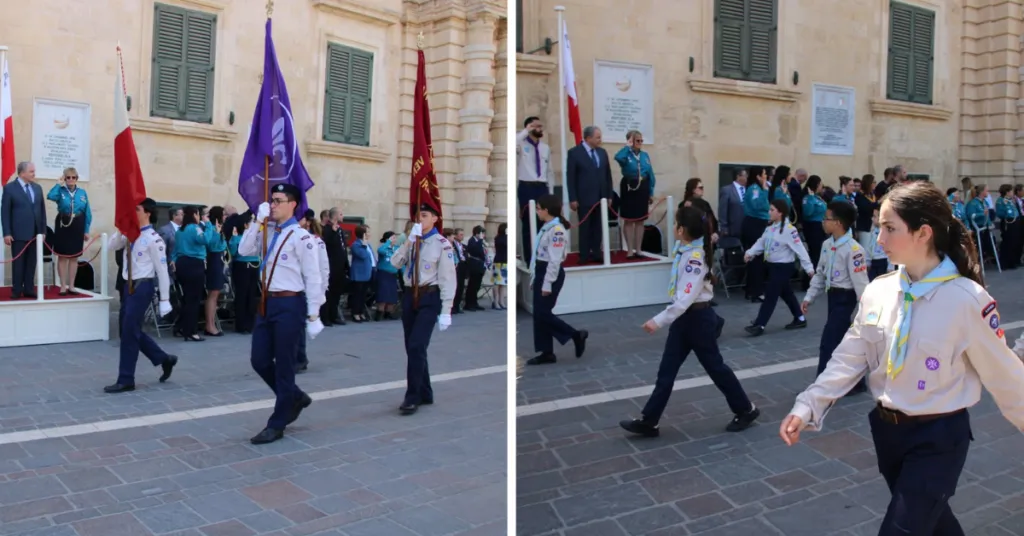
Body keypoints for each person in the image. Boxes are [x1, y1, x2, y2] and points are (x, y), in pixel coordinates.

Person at [779, 182, 1024, 535]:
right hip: (888, 432)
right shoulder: (879, 290)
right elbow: (850, 356)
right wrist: (808, 405)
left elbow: (1006, 377)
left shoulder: (967, 299)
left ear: (923, 233)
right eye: (878, 227)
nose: (879, 239)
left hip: (938, 438)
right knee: (935, 524)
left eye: (889, 228)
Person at [620, 206, 760, 437]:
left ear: (682, 230)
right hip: (685, 320)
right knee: (666, 371)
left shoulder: (695, 258)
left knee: (715, 368)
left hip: (697, 319)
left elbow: (684, 299)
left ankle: (746, 409)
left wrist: (658, 321)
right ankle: (649, 420)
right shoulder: (685, 251)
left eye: (676, 223)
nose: (674, 227)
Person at [237, 184, 323, 444]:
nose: (272, 205)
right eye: (271, 200)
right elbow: (243, 250)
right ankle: (294, 396)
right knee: (259, 360)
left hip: (289, 303)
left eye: (278, 201)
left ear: (292, 204)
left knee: (285, 365)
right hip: (266, 303)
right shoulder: (267, 230)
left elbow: (313, 276)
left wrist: (314, 314)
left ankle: (278, 422)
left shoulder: (302, 237)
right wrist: (257, 221)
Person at [388, 203, 457, 415]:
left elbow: (448, 278)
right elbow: (394, 263)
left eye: (425, 215)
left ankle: (413, 396)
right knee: (412, 346)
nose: (420, 219)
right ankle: (425, 391)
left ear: (435, 218)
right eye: (418, 215)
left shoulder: (442, 244)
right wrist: (408, 241)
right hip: (410, 296)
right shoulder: (412, 241)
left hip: (429, 296)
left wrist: (446, 310)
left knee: (417, 345)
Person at [104, 198, 178, 393]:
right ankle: (164, 358)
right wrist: (121, 230)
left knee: (129, 331)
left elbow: (162, 270)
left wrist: (164, 299)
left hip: (142, 286)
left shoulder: (154, 239)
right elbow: (111, 246)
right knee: (129, 330)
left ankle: (126, 379)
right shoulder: (130, 234)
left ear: (147, 212)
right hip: (127, 286)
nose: (133, 212)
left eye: (136, 209)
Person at [801, 201, 870, 395]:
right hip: (832, 297)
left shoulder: (854, 249)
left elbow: (861, 283)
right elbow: (820, 274)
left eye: (826, 218)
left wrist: (866, 309)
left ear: (838, 223)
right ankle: (857, 383)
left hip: (845, 299)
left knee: (828, 342)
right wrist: (809, 297)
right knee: (844, 343)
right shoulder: (827, 245)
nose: (823, 221)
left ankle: (821, 387)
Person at [525, 194, 588, 365]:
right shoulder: (547, 227)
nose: (537, 211)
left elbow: (554, 260)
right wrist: (534, 278)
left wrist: (547, 283)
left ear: (546, 210)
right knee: (539, 314)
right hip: (541, 270)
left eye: (539, 209)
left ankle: (575, 335)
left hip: (549, 272)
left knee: (542, 313)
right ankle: (546, 352)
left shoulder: (556, 230)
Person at [744, 198, 814, 336]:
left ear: (780, 212)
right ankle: (800, 318)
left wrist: (809, 268)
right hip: (772, 266)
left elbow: (800, 250)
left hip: (784, 267)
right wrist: (750, 253)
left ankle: (760, 324)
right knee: (786, 293)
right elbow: (761, 242)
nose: (769, 212)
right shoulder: (770, 228)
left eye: (772, 210)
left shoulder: (789, 230)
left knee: (771, 294)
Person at [566, 125, 614, 264]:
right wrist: (573, 198)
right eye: (597, 137)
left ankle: (597, 252)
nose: (600, 140)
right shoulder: (574, 153)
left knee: (598, 226)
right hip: (584, 197)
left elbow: (607, 175)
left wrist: (609, 195)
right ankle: (584, 254)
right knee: (585, 227)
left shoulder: (602, 152)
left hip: (601, 197)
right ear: (588, 138)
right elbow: (571, 177)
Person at [1, 161, 46, 299]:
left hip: (35, 233)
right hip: (18, 233)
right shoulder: (10, 188)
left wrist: (43, 231)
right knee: (18, 263)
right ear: (22, 173)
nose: (34, 174)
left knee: (32, 262)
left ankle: (28, 288)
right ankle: (16, 290)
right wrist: (7, 233)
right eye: (31, 171)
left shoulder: (37, 188)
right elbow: (5, 212)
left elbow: (42, 211)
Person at [47, 167, 92, 295]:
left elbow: (87, 212)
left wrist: (86, 230)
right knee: (62, 256)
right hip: (63, 224)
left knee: (74, 257)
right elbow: (50, 196)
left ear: (77, 179)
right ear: (64, 178)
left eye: (73, 177)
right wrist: (58, 184)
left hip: (77, 224)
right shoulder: (60, 191)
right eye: (68, 177)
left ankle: (71, 285)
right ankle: (62, 285)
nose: (71, 180)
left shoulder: (82, 192)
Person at [295, 211, 329, 372]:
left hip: (307, 288)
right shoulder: (293, 238)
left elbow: (323, 267)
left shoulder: (316, 241)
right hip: (294, 286)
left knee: (299, 325)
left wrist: (321, 291)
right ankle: (297, 356)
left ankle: (300, 357)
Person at [614, 129, 656, 258]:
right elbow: (618, 157)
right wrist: (628, 147)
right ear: (631, 141)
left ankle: (638, 249)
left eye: (641, 140)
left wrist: (651, 192)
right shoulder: (626, 154)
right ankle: (629, 250)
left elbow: (650, 174)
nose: (640, 143)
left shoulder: (645, 155)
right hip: (629, 187)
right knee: (629, 219)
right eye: (637, 140)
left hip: (642, 187)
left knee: (640, 219)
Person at [517, 117, 554, 262]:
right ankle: (529, 259)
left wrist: (551, 193)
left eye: (541, 126)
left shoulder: (545, 147)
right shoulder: (520, 143)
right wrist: (526, 131)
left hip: (542, 187)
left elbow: (549, 171)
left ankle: (542, 257)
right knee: (528, 222)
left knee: (544, 222)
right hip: (527, 187)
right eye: (536, 126)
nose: (540, 129)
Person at [172, 207, 209, 342]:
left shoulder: (180, 231)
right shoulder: (195, 228)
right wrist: (209, 226)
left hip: (182, 263)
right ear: (195, 215)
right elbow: (205, 240)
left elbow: (175, 250)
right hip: (194, 263)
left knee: (187, 298)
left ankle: (180, 327)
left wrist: (173, 260)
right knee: (194, 299)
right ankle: (191, 331)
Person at [741, 166, 771, 302]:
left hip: (760, 223)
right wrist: (765, 191)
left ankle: (752, 289)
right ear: (758, 176)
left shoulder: (758, 188)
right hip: (754, 224)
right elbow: (758, 205)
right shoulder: (755, 189)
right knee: (756, 258)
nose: (766, 177)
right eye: (764, 174)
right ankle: (756, 292)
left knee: (757, 258)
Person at [228, 213, 259, 334]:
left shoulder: (255, 237)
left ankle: (250, 323)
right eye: (251, 222)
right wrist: (234, 240)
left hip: (254, 265)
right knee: (242, 295)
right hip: (242, 266)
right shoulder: (237, 238)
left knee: (252, 295)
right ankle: (241, 324)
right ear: (245, 225)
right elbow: (233, 253)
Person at [321, 207, 348, 325]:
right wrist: (332, 232)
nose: (343, 216)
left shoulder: (340, 229)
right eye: (341, 214)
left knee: (337, 292)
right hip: (331, 265)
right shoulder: (327, 229)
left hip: (340, 266)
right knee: (329, 292)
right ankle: (325, 317)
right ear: (335, 216)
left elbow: (343, 248)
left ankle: (334, 315)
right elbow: (325, 243)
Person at [203, 206, 227, 337]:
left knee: (216, 294)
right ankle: (209, 325)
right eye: (223, 214)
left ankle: (212, 324)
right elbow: (211, 245)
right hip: (213, 260)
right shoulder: (212, 228)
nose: (225, 217)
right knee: (212, 294)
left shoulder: (219, 228)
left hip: (220, 260)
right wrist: (217, 233)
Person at [801, 175, 828, 276]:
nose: (822, 186)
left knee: (821, 252)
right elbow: (808, 213)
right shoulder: (808, 198)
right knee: (814, 253)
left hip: (821, 227)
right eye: (820, 184)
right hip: (813, 227)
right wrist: (811, 198)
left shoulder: (818, 198)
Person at [349, 225, 375, 322]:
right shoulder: (356, 245)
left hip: (367, 273)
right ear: (363, 234)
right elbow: (362, 255)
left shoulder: (368, 244)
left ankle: (361, 312)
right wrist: (363, 245)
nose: (369, 234)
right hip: (359, 275)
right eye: (367, 232)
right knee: (357, 295)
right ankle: (355, 313)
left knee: (363, 295)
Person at [965, 184, 995, 262]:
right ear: (982, 192)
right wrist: (982, 214)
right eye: (986, 191)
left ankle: (988, 257)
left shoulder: (985, 202)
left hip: (986, 228)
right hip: (978, 229)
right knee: (980, 247)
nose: (988, 192)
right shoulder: (973, 203)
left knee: (990, 245)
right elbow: (971, 215)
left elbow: (987, 215)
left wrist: (990, 223)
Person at [375, 231, 401, 320]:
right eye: (393, 238)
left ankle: (388, 312)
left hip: (393, 274)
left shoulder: (397, 248)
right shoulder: (384, 247)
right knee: (383, 294)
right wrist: (388, 242)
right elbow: (380, 251)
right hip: (383, 274)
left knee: (392, 295)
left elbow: (401, 260)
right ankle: (379, 312)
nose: (395, 239)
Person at [995, 184, 1020, 269]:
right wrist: (1007, 214)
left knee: (1014, 242)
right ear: (1007, 192)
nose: (1013, 192)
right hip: (1008, 222)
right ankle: (1004, 263)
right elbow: (1000, 213)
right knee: (1007, 242)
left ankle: (1012, 262)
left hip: (1015, 222)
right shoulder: (1001, 201)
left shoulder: (1010, 200)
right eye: (1011, 191)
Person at [464, 225, 488, 310]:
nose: (483, 235)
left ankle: (474, 302)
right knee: (472, 285)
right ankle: (469, 304)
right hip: (474, 265)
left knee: (477, 285)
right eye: (482, 233)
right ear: (477, 233)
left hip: (480, 265)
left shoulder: (480, 241)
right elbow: (475, 250)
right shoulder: (472, 240)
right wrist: (480, 240)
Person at [866, 207, 891, 281]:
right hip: (873, 262)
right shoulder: (872, 231)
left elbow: (891, 249)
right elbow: (869, 246)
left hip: (883, 261)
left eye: (874, 216)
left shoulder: (888, 232)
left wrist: (890, 267)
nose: (872, 219)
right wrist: (867, 261)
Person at [491, 222, 508, 309]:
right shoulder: (500, 238)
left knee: (503, 283)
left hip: (505, 262)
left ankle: (501, 301)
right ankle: (496, 301)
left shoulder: (504, 237)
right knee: (497, 283)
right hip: (499, 262)